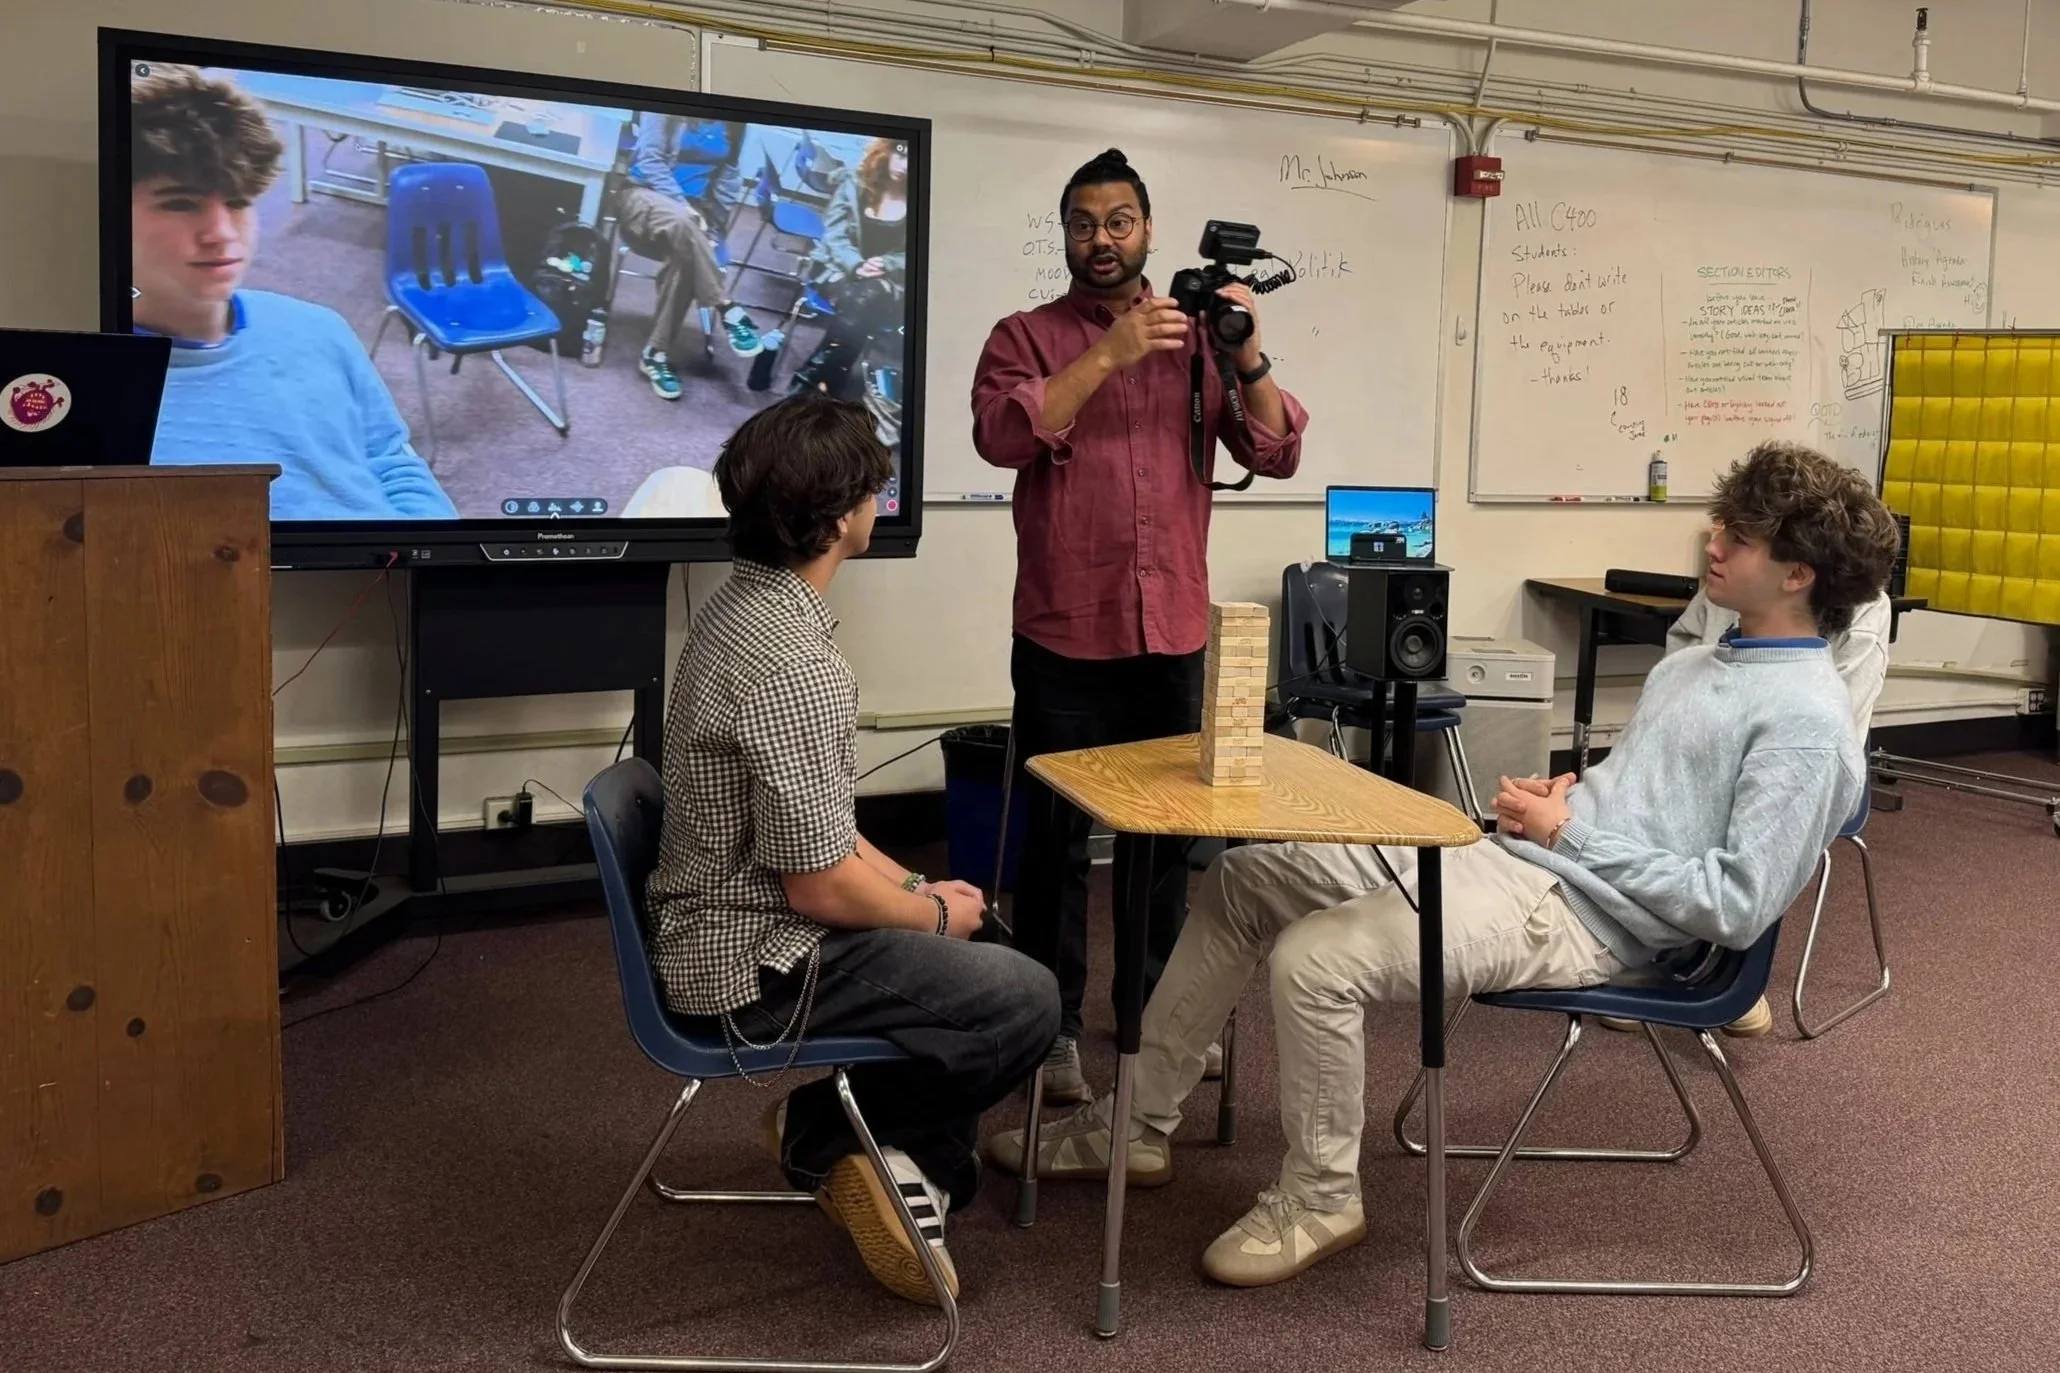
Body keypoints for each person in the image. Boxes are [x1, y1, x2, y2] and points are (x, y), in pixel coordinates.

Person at [986, 440, 1897, 1289]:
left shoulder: (1810, 724)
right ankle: (1137, 1127)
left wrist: (1566, 833)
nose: (1712, 541)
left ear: (1797, 574)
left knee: (1317, 959)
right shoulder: (1696, 664)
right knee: (1246, 875)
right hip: (1536, 866)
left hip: (1592, 919)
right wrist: (1574, 794)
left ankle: (1320, 1196)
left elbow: (1735, 906)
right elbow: (1656, 796)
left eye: (1737, 537)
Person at [646, 393, 1060, 1305]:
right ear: (839, 521)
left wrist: (920, 886)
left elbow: (822, 828)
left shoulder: (741, 611)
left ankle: (901, 1161)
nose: (879, 503)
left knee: (982, 940)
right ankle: (831, 1131)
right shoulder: (794, 663)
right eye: (873, 491)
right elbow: (822, 886)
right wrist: (932, 910)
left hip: (727, 922)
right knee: (1026, 998)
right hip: (752, 966)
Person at [969, 148, 1309, 1105]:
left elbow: (1276, 447)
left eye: (1119, 221)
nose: (1101, 239)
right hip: (1064, 634)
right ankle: (1050, 1029)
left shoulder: (1197, 338)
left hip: (1171, 635)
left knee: (1163, 848)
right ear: (1066, 235)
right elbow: (1002, 435)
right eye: (1083, 223)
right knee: (1053, 849)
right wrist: (1110, 355)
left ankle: (1155, 1019)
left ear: (1149, 230)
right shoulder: (1026, 336)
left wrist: (1246, 352)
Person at [130, 65, 455, 520]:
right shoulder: (92, 397)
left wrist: (429, 558)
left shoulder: (319, 326)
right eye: (181, 203)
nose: (222, 233)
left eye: (239, 202)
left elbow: (390, 457)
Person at [1617, 581, 1894, 1037]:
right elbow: (1682, 651)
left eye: (1740, 534)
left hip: (1790, 761)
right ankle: (1652, 942)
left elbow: (1825, 727)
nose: (1716, 544)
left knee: (1727, 800)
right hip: (1711, 744)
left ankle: (1713, 964)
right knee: (1649, 784)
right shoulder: (1723, 583)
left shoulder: (1861, 601)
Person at [620, 112, 765, 401]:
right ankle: (725, 305)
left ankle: (654, 354)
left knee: (685, 256)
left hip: (695, 217)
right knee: (683, 226)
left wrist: (713, 229)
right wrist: (684, 206)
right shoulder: (662, 105)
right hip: (643, 197)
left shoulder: (735, 120)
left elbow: (727, 176)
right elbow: (649, 162)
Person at [789, 137, 908, 399]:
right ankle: (833, 377)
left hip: (890, 282)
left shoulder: (924, 199)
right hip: (840, 269)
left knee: (870, 293)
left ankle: (809, 377)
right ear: (885, 152)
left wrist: (886, 264)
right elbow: (835, 235)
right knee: (863, 301)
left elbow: (920, 252)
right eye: (900, 155)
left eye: (912, 158)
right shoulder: (855, 184)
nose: (904, 165)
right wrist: (856, 266)